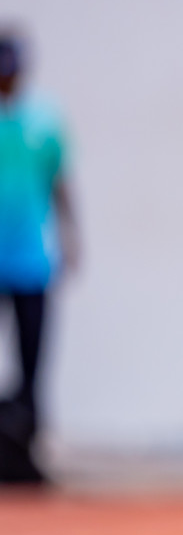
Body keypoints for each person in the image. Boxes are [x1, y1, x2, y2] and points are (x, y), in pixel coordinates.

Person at [0, 29, 80, 484]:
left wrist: (70, 236)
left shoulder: (44, 121)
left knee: (33, 364)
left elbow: (61, 181)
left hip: (31, 261)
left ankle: (26, 449)